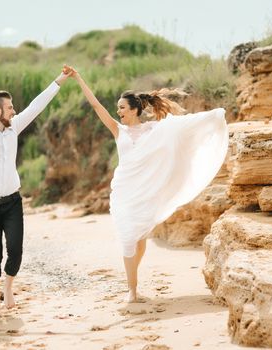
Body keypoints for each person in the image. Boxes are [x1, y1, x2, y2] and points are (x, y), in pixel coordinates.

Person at [63, 65, 229, 302]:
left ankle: (132, 279)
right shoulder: (117, 130)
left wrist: (211, 117)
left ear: (133, 110)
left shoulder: (153, 129)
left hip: (146, 191)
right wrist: (78, 77)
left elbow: (180, 128)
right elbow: (95, 105)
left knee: (140, 240)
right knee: (128, 237)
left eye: (122, 107)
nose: (118, 111)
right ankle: (132, 291)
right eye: (118, 108)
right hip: (124, 191)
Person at [0, 66, 71, 313]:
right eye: (10, 107)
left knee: (16, 251)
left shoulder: (13, 128)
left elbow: (37, 105)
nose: (15, 111)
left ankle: (8, 287)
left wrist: (59, 80)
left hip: (12, 202)